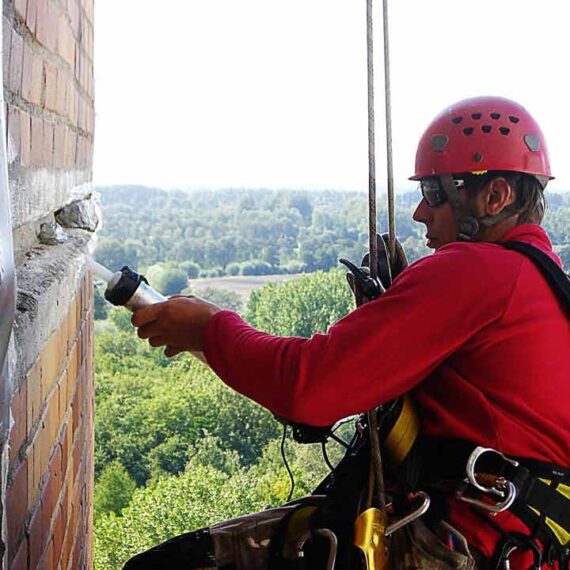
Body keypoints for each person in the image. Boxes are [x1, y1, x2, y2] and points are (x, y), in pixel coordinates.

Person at [132, 96, 570, 568]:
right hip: (514, 542)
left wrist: (209, 329)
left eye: (436, 193)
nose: (422, 213)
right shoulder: (542, 284)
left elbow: (311, 388)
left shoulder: (481, 271)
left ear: (495, 197)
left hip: (468, 541)